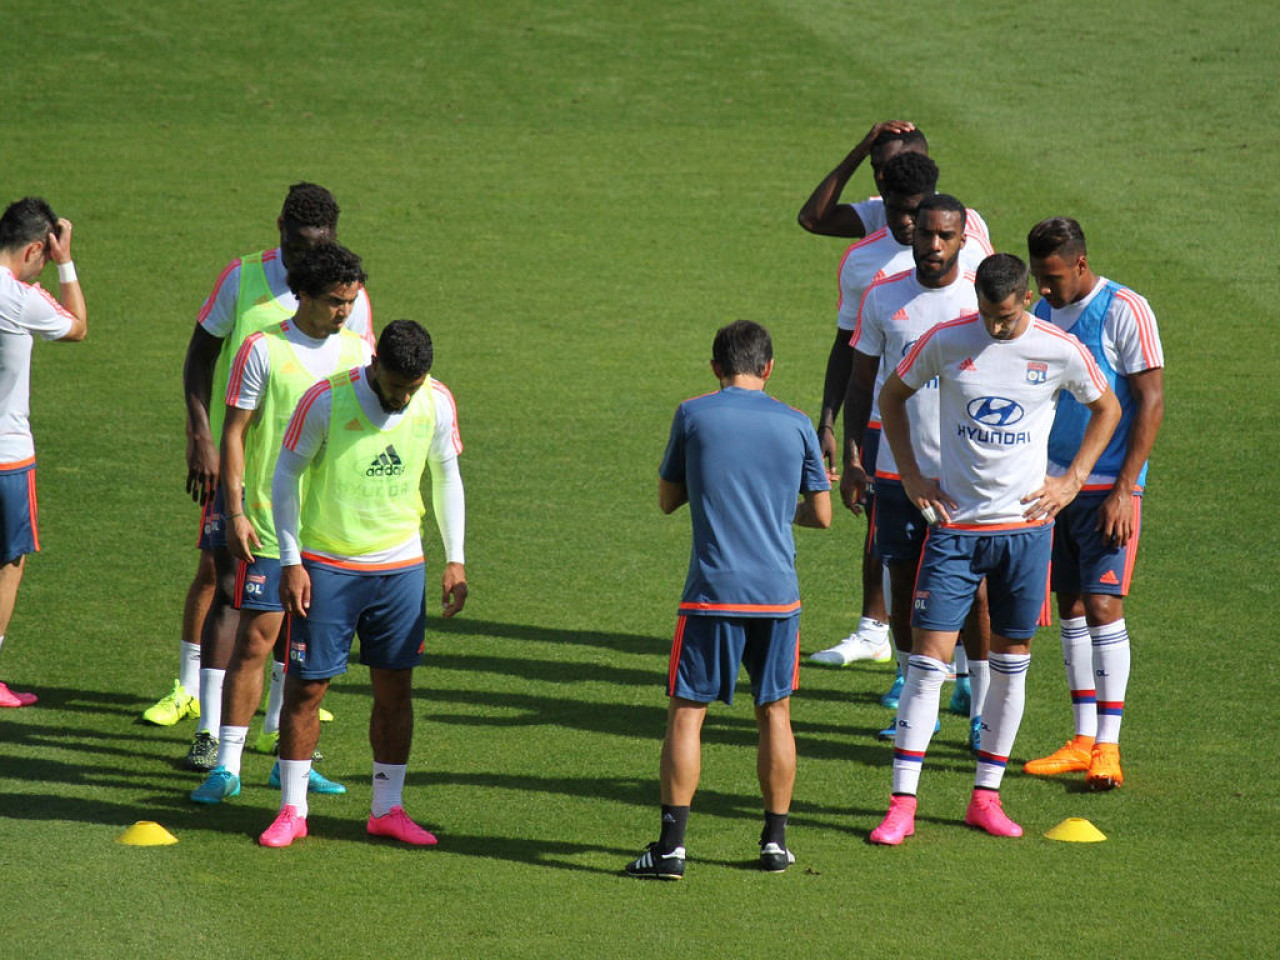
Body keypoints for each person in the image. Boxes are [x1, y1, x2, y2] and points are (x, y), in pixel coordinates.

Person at [868, 253, 1120, 845]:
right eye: (987, 313)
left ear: (1026, 299)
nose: (996, 327)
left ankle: (986, 797)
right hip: (955, 531)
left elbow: (1106, 408)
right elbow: (891, 397)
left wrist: (1073, 480)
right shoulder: (949, 339)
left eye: (1005, 316)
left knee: (1011, 665)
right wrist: (910, 475)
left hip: (1026, 534)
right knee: (928, 667)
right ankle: (901, 804)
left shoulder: (1058, 349)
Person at [144, 184, 373, 773]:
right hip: (242, 472)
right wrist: (201, 435)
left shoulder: (348, 297)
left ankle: (276, 733)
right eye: (295, 245)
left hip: (313, 489)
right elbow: (200, 353)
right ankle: (209, 730)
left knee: (298, 608)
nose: (302, 258)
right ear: (279, 229)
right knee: (228, 591)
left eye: (316, 246)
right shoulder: (242, 278)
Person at [625, 320, 832, 880]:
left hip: (712, 596)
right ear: (768, 367)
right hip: (778, 597)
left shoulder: (694, 414)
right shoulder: (795, 424)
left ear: (716, 367)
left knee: (687, 714)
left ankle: (670, 849)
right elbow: (821, 514)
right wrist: (769, 503)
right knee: (776, 714)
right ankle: (774, 842)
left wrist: (717, 486)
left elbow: (669, 499)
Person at [259, 319, 466, 848]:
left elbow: (447, 477)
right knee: (307, 689)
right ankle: (292, 810)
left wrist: (455, 559)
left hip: (400, 569)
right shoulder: (325, 401)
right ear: (376, 366)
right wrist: (290, 561)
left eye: (411, 386)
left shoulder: (436, 400)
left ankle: (386, 808)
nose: (401, 397)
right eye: (395, 385)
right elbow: (285, 475)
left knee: (396, 692)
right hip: (327, 565)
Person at [190, 243, 374, 804]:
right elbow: (236, 431)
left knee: (305, 645)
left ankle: (287, 757)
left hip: (330, 525)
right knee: (257, 639)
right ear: (305, 296)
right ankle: (227, 764)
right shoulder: (262, 349)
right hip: (271, 519)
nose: (345, 311)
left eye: (351, 301)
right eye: (335, 301)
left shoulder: (359, 351)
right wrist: (235, 508)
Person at [809, 161, 993, 675]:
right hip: (895, 465)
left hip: (967, 467)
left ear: (961, 239)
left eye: (941, 234)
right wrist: (849, 453)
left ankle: (973, 692)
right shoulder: (879, 289)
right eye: (923, 231)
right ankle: (910, 687)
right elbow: (860, 377)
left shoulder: (981, 298)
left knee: (973, 587)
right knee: (906, 580)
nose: (929, 242)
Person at [1021, 218, 1165, 790]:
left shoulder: (1125, 309)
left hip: (1106, 487)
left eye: (1054, 277)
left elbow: (1150, 401)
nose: (1047, 289)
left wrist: (1127, 489)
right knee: (1071, 604)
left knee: (1104, 605)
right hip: (1052, 487)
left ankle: (1109, 745)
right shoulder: (1039, 312)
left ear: (1080, 263)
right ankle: (1081, 738)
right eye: (1038, 277)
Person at [0, 199, 88, 708]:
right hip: (8, 457)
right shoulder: (18, 299)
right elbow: (77, 324)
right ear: (37, 249)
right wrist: (67, 263)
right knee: (8, 564)